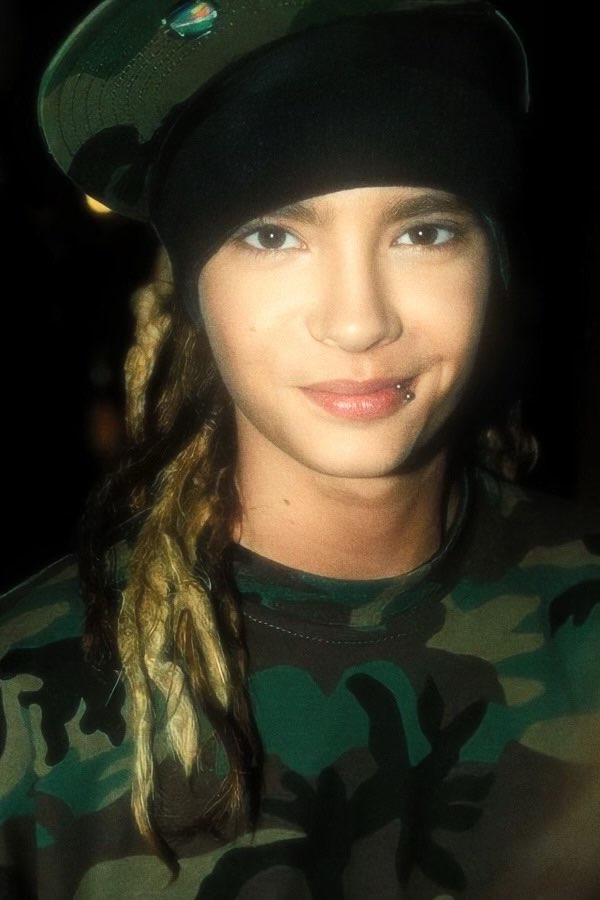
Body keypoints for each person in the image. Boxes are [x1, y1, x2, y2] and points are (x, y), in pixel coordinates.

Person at [1, 0, 599, 897]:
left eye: (424, 232)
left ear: (495, 266)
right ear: (195, 295)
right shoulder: (20, 706)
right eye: (273, 235)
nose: (358, 322)